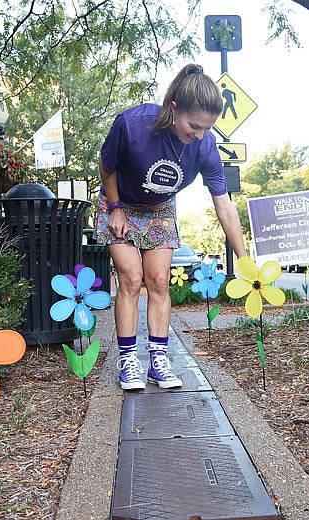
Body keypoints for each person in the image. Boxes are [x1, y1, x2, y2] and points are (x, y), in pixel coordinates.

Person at [95, 63, 247, 391]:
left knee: (160, 281)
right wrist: (117, 208)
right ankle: (128, 361)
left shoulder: (205, 146)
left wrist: (245, 259)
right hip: (119, 202)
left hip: (160, 209)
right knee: (132, 280)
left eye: (207, 129)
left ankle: (158, 361)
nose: (200, 136)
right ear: (173, 109)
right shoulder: (132, 125)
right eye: (194, 126)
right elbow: (105, 167)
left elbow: (224, 204)